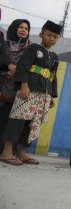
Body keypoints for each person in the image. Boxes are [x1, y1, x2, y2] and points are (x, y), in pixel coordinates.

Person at [0, 20, 61, 166]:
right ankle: (6, 152)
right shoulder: (33, 48)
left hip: (43, 94)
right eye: (49, 35)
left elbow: (52, 76)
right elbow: (23, 67)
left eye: (55, 37)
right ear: (41, 34)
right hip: (28, 91)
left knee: (33, 123)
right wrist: (24, 85)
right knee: (18, 119)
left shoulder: (55, 57)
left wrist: (52, 95)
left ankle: (22, 153)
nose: (51, 38)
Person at [0, 19, 32, 154]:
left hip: (17, 89)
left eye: (26, 28)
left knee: (9, 119)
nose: (24, 30)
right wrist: (7, 67)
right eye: (20, 27)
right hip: (2, 83)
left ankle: (6, 151)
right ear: (13, 28)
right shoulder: (4, 44)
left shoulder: (30, 48)